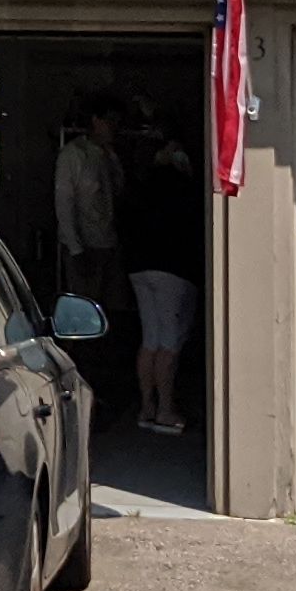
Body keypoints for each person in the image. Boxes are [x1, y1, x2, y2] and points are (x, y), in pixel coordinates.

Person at [115, 100, 201, 436]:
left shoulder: (140, 182)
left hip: (140, 267)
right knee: (169, 342)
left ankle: (146, 407)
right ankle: (165, 409)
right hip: (173, 268)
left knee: (149, 339)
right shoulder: (182, 184)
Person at [52, 101, 120, 311]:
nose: (114, 127)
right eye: (110, 121)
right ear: (96, 121)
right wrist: (75, 247)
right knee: (83, 308)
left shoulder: (108, 155)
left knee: (110, 308)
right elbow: (64, 201)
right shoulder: (73, 155)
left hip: (108, 242)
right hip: (84, 245)